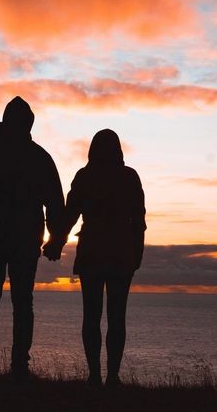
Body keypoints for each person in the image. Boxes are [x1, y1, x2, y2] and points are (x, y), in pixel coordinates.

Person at [0, 97, 65, 381]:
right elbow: (55, 202)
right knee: (16, 303)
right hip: (15, 239)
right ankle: (11, 366)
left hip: (3, 239)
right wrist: (55, 238)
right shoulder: (36, 157)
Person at [50, 129, 146, 386]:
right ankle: (111, 376)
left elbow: (70, 216)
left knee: (92, 316)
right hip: (120, 254)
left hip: (93, 252)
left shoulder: (85, 176)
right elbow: (139, 222)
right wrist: (136, 254)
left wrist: (55, 243)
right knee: (116, 317)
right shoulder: (129, 177)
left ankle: (95, 375)